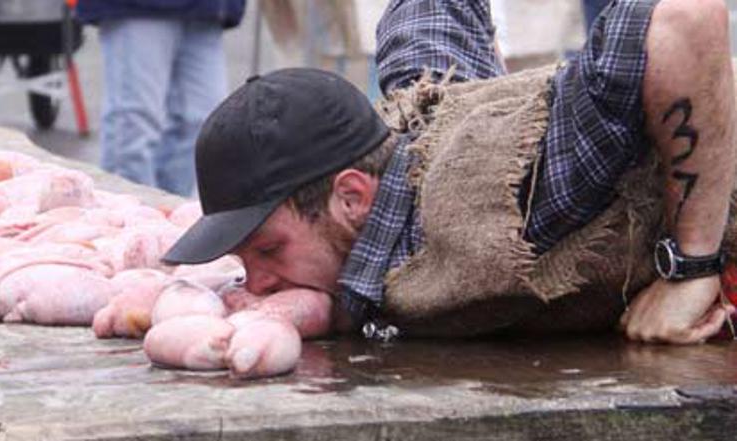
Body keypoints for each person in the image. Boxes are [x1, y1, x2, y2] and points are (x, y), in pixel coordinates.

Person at [163, 0, 737, 344]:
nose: (256, 282)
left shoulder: (513, 198)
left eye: (268, 250)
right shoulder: (417, 109)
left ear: (352, 197)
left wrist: (691, 268)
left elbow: (687, 19)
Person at [76, 0, 246, 196]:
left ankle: (164, 214)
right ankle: (128, 219)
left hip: (207, 10)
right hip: (137, 8)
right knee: (134, 129)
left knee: (204, 127)